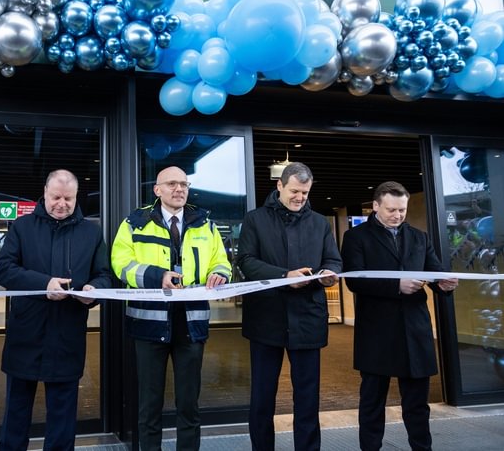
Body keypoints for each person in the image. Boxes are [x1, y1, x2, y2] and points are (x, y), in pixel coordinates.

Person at [111, 166, 232, 451]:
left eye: (184, 184)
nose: (179, 189)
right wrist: (157, 276)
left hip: (191, 324)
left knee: (189, 404)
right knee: (149, 405)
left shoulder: (206, 224)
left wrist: (220, 274)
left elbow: (222, 260)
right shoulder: (134, 222)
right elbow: (120, 263)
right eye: (172, 184)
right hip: (149, 325)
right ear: (157, 189)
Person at [0, 169, 111, 451]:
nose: (62, 203)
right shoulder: (22, 227)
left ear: (76, 197)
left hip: (67, 335)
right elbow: (3, 269)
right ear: (44, 194)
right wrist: (43, 283)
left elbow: (104, 275)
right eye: (56, 197)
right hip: (26, 334)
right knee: (16, 413)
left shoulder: (91, 232)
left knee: (63, 418)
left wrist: (93, 293)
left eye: (68, 198)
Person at [341, 181, 459, 451]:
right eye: (391, 209)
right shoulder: (356, 237)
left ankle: (422, 447)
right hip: (377, 331)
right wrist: (397, 286)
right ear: (375, 206)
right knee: (372, 401)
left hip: (414, 329)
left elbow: (434, 271)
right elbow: (355, 281)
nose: (397, 215)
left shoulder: (420, 237)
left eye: (402, 210)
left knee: (418, 403)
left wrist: (444, 285)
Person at [236, 162, 341, 451]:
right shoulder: (255, 219)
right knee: (262, 398)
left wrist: (328, 275)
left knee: (308, 398)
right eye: (295, 191)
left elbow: (333, 259)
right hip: (265, 320)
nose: (300, 198)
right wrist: (284, 277)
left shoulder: (319, 222)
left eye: (305, 193)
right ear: (279, 186)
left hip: (308, 319)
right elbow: (245, 261)